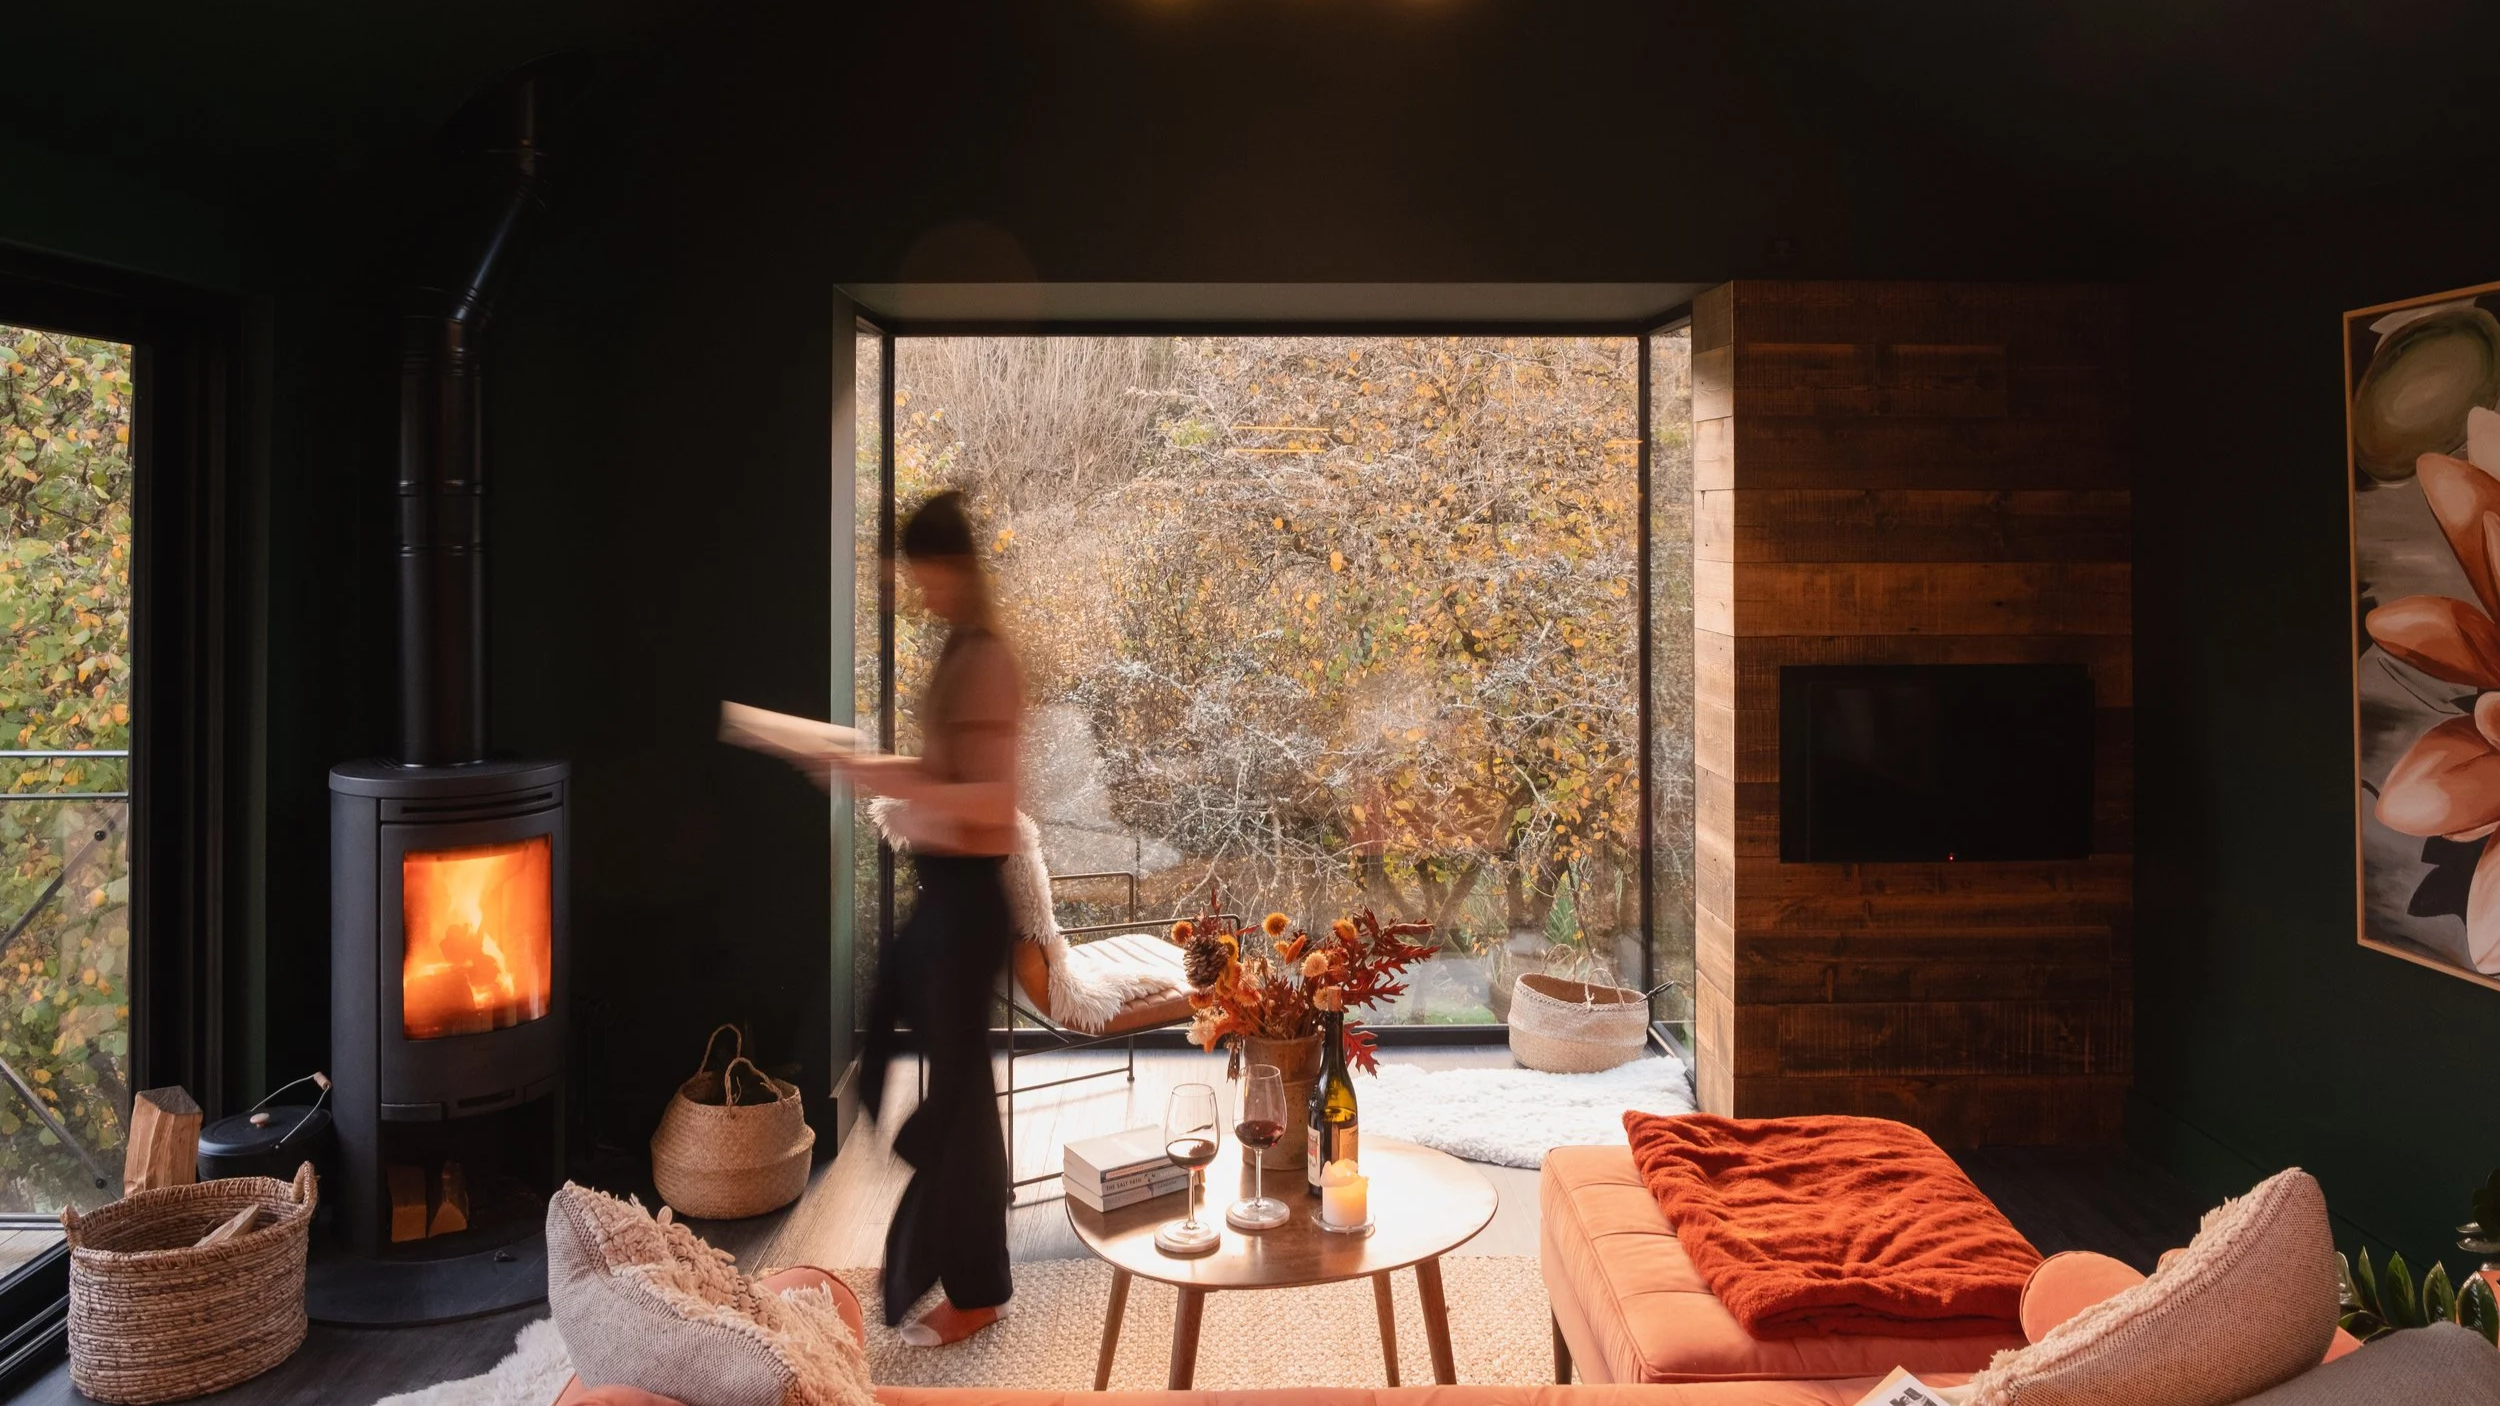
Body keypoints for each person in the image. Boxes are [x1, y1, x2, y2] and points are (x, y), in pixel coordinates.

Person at [826, 489, 1022, 1348]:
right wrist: (869, 769)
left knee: (963, 1099)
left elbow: (992, 804)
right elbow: (947, 771)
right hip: (949, 897)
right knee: (957, 1090)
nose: (914, 590)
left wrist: (916, 812)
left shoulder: (985, 659)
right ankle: (956, 1260)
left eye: (918, 573)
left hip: (970, 901)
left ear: (949, 567)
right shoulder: (957, 652)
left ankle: (973, 1287)